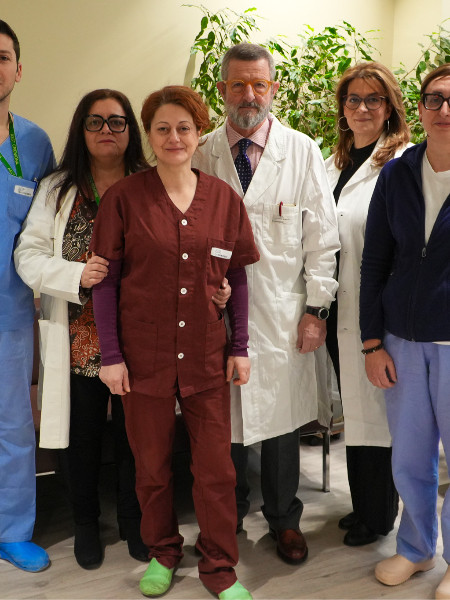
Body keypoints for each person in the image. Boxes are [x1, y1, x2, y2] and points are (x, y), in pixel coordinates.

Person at [90, 85, 259, 599]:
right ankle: (162, 553)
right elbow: (105, 282)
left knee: (215, 470)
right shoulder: (124, 199)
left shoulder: (223, 199)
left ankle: (219, 567)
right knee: (152, 468)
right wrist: (112, 357)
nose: (173, 138)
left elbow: (237, 277)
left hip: (207, 356)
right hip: (143, 358)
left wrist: (240, 346)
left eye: (184, 128)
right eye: (162, 128)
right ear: (149, 134)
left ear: (198, 133)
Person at [192, 42, 340, 565]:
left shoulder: (300, 150)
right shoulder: (201, 151)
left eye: (259, 84)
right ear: (222, 90)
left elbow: (322, 237)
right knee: (223, 422)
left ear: (273, 88)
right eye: (238, 85)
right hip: (216, 312)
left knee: (281, 421)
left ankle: (284, 519)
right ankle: (226, 517)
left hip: (281, 312)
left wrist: (317, 310)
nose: (249, 95)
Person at [14, 89, 150, 569]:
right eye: (95, 122)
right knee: (81, 439)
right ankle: (86, 525)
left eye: (116, 121)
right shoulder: (58, 188)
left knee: (137, 439)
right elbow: (27, 255)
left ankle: (135, 521)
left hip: (139, 339)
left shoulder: (148, 183)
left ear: (130, 129)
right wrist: (76, 274)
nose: (106, 130)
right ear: (81, 130)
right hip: (77, 339)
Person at [359, 63, 450, 598]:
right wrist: (372, 341)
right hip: (401, 341)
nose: (444, 110)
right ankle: (416, 549)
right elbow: (374, 261)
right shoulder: (396, 175)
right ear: (419, 107)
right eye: (434, 99)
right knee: (411, 457)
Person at [324, 62, 410, 547]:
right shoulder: (333, 163)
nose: (362, 108)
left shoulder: (404, 162)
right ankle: (363, 506)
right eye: (353, 99)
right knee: (355, 412)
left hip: (379, 313)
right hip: (339, 307)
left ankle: (378, 517)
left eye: (373, 99)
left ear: (389, 107)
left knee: (378, 415)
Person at [0, 20, 55, 572]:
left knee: (13, 428)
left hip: (10, 314)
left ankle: (13, 531)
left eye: (2, 57)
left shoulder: (34, 144)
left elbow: (49, 227)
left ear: (18, 69)